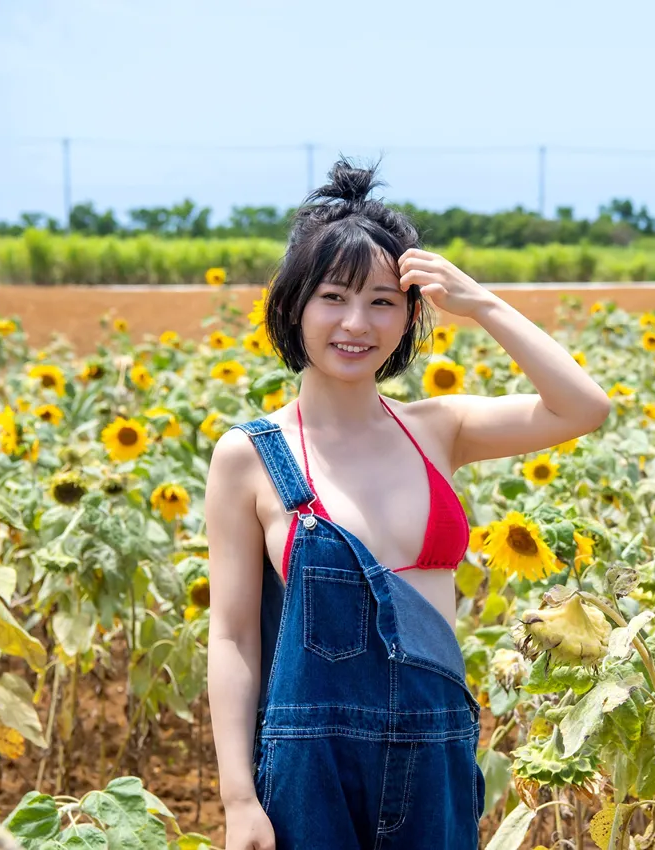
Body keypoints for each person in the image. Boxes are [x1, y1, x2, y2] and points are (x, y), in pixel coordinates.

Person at [204, 158, 612, 850]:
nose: (356, 323)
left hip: (436, 749)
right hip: (311, 762)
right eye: (333, 297)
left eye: (383, 301)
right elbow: (233, 638)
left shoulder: (438, 429)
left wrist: (479, 302)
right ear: (294, 305)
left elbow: (583, 406)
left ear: (410, 315)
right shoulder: (249, 456)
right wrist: (238, 797)